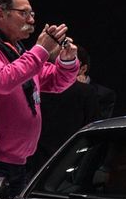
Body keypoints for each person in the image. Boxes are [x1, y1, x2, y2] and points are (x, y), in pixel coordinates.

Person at [0, 0, 79, 199]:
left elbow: (57, 81)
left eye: (32, 14)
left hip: (21, 163)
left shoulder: (19, 52)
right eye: (24, 13)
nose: (31, 20)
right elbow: (2, 80)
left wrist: (67, 60)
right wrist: (41, 49)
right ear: (0, 14)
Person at [26, 45, 101, 175]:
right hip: (69, 156)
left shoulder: (35, 85)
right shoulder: (86, 91)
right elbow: (93, 126)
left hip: (35, 153)